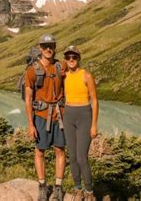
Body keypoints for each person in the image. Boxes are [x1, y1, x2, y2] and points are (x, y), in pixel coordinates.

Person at [24, 33, 66, 201]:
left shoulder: (60, 66)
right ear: (40, 48)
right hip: (41, 116)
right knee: (40, 151)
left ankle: (58, 187)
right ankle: (42, 186)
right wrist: (30, 124)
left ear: (55, 48)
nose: (49, 49)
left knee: (59, 150)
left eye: (52, 46)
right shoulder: (33, 70)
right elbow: (28, 98)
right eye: (45, 46)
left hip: (59, 116)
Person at [62, 45, 99, 201]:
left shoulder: (86, 76)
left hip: (84, 115)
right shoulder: (64, 76)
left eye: (74, 57)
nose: (71, 60)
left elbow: (95, 101)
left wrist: (94, 124)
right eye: (68, 57)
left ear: (79, 58)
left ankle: (89, 191)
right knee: (72, 156)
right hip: (68, 115)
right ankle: (78, 190)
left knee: (82, 157)